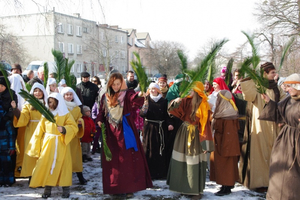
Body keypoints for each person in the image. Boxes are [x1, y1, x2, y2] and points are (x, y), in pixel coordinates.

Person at [96, 72, 152, 197]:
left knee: (127, 159)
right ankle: (114, 187)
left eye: (118, 84)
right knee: (113, 161)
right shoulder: (105, 97)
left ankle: (129, 187)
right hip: (110, 132)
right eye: (114, 84)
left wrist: (141, 94)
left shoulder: (127, 94)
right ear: (110, 84)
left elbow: (135, 100)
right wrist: (99, 120)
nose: (116, 87)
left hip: (125, 130)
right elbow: (101, 111)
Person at [238, 62, 286, 191]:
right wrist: (252, 77)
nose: (275, 75)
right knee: (260, 152)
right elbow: (247, 95)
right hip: (260, 123)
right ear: (265, 74)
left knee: (273, 153)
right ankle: (260, 182)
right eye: (272, 73)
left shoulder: (276, 87)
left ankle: (273, 180)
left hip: (275, 123)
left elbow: (282, 102)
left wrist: (282, 117)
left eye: (275, 72)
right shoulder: (257, 86)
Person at [167, 81, 214, 198]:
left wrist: (206, 144)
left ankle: (196, 191)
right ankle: (184, 187)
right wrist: (175, 102)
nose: (189, 92)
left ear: (197, 91)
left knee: (194, 162)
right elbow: (173, 111)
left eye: (191, 89)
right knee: (182, 160)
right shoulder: (186, 101)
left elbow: (206, 126)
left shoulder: (204, 105)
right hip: (183, 134)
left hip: (196, 136)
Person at [26, 93, 77, 198]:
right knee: (47, 164)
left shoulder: (65, 114)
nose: (51, 104)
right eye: (49, 102)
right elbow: (39, 130)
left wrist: (64, 129)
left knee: (63, 166)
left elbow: (73, 127)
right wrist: (35, 146)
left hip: (62, 144)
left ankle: (65, 189)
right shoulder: (46, 114)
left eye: (53, 102)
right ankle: (47, 188)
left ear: (58, 102)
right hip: (48, 144)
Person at [260, 73, 300, 200]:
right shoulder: (288, 100)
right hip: (284, 142)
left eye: (289, 86)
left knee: (292, 177)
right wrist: (269, 102)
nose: (286, 89)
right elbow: (278, 112)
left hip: (298, 143)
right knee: (279, 171)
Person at [11, 83, 47, 182]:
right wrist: (15, 109)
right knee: (32, 153)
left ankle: (42, 175)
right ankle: (32, 175)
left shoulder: (47, 103)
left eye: (40, 91)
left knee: (43, 153)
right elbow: (24, 118)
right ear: (32, 92)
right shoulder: (28, 104)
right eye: (35, 91)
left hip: (45, 131)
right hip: (32, 131)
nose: (38, 93)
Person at [209, 90, 240, 196]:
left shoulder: (228, 114)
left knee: (226, 165)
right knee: (223, 165)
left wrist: (226, 148)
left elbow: (230, 133)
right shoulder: (222, 111)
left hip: (225, 144)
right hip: (220, 141)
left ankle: (226, 186)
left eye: (219, 98)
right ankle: (225, 185)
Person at [140, 83, 172, 179]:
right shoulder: (146, 100)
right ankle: (149, 173)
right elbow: (142, 114)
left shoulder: (163, 101)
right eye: (151, 89)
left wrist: (170, 123)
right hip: (149, 127)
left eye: (155, 89)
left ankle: (160, 173)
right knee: (148, 149)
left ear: (158, 90)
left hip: (160, 128)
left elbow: (166, 115)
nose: (153, 91)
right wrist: (145, 106)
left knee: (160, 150)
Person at [60, 87, 87, 185]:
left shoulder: (76, 108)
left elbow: (80, 117)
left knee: (75, 156)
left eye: (70, 94)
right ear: (63, 96)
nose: (69, 96)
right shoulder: (61, 106)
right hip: (64, 134)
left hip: (74, 136)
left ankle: (80, 175)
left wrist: (80, 122)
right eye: (66, 95)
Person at [0, 76, 18, 186]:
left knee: (7, 159)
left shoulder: (11, 94)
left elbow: (14, 107)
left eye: (2, 86)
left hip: (7, 122)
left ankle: (9, 179)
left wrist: (7, 116)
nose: (0, 88)